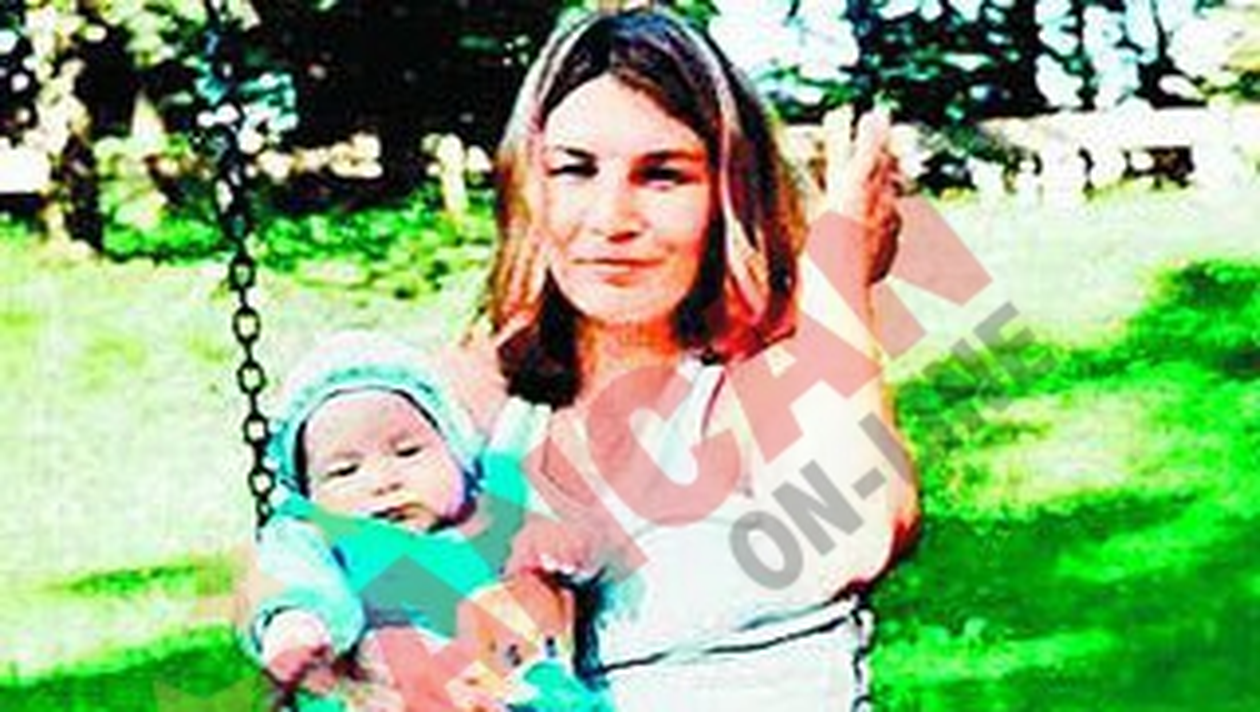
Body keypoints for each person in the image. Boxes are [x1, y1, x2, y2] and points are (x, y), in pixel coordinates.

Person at [423, 6, 921, 710]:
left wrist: (835, 267)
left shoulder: (758, 386)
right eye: (574, 170)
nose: (611, 219)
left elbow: (858, 537)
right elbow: (317, 570)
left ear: (728, 196)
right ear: (529, 188)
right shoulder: (472, 401)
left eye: (662, 176)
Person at [244, 330, 605, 711]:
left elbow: (586, 551)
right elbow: (293, 575)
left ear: (456, 455)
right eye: (345, 470)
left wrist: (556, 543)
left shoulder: (497, 506)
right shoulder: (316, 536)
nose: (383, 481)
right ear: (308, 493)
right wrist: (296, 624)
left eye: (407, 452)